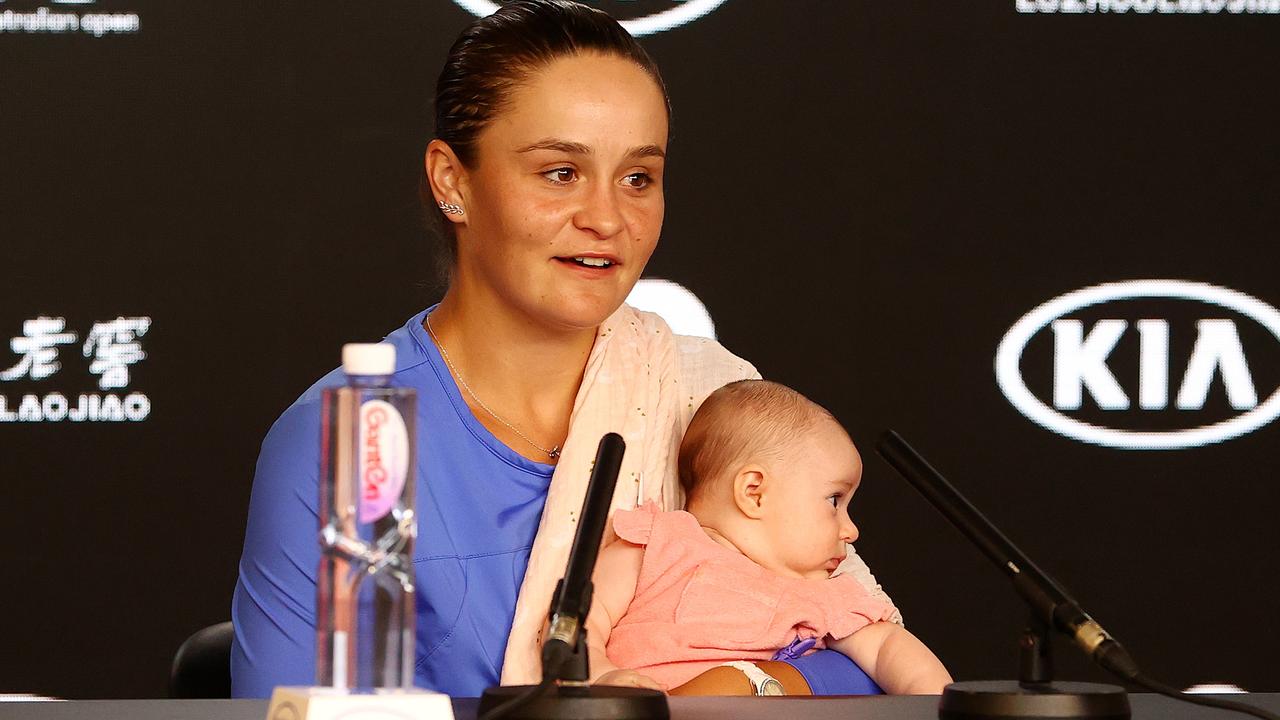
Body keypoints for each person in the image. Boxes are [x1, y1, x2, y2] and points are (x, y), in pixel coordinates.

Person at [230, 0, 897, 698]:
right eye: (560, 173)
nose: (607, 217)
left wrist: (746, 683)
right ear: (453, 182)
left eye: (638, 178)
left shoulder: (706, 397)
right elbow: (306, 713)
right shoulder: (361, 436)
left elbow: (867, 648)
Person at [585, 380, 952, 695]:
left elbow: (889, 647)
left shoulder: (823, 594)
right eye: (834, 501)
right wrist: (601, 674)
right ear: (754, 491)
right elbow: (579, 621)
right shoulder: (657, 545)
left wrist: (934, 703)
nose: (851, 530)